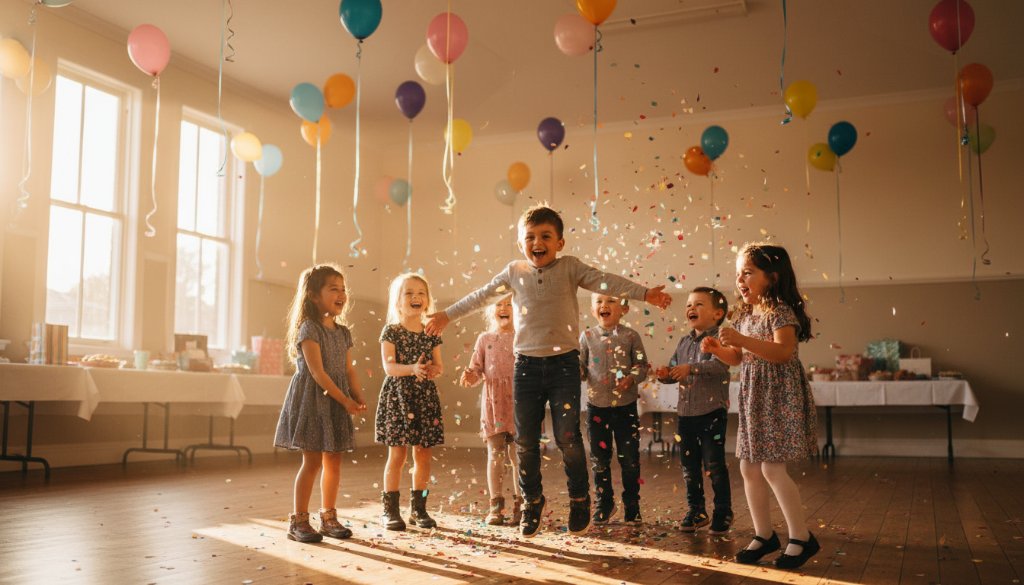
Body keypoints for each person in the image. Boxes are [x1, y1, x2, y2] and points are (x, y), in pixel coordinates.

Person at [425, 204, 672, 538]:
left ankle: (580, 498)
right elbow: (481, 295)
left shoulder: (570, 268)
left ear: (560, 243)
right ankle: (531, 501)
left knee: (567, 437)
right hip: (525, 366)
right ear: (520, 243)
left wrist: (645, 294)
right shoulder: (514, 271)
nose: (537, 243)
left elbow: (605, 280)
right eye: (530, 237)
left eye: (545, 237)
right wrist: (447, 315)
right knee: (525, 440)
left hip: (563, 366)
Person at [701, 243, 819, 569]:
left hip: (778, 398)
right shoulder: (748, 314)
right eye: (738, 273)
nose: (740, 279)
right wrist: (718, 350)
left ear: (773, 276)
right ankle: (764, 534)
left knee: (771, 468)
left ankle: (802, 537)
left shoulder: (780, 312)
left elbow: (782, 352)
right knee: (749, 468)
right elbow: (739, 358)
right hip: (755, 399)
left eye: (748, 272)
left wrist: (740, 340)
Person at [274, 264, 367, 543]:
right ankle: (299, 520)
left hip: (336, 401)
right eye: (333, 288)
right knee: (312, 462)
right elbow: (317, 373)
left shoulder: (343, 332)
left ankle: (329, 517)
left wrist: (357, 395)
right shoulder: (309, 328)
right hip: (313, 400)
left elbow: (348, 370)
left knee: (334, 462)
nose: (341, 294)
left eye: (343, 289)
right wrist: (344, 399)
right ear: (314, 296)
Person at [655, 287, 733, 535]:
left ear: (717, 313)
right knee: (689, 466)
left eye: (699, 304)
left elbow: (720, 368)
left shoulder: (721, 340)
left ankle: (723, 510)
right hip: (686, 415)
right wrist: (666, 375)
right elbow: (676, 369)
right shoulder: (684, 341)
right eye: (689, 304)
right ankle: (696, 510)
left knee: (714, 464)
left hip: (711, 413)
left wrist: (693, 368)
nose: (691, 308)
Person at [376, 272, 444, 531]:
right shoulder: (391, 331)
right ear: (398, 301)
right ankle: (390, 510)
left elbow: (439, 365)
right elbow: (389, 368)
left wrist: (433, 370)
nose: (416, 297)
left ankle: (419, 509)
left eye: (421, 293)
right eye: (409, 293)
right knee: (397, 455)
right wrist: (412, 369)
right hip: (399, 398)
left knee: (423, 456)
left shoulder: (431, 332)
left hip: (424, 398)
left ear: (427, 300)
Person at [579, 294, 650, 525]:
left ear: (624, 309)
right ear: (592, 309)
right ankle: (604, 503)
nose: (604, 305)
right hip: (596, 407)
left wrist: (632, 377)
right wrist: (576, 372)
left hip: (625, 407)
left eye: (610, 301)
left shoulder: (631, 336)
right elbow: (580, 366)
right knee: (599, 459)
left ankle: (632, 505)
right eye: (599, 301)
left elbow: (641, 365)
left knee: (629, 459)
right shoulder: (587, 336)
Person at [459, 296, 522, 526]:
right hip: (493, 405)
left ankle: (521, 504)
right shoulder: (484, 339)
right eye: (498, 305)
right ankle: (496, 505)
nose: (503, 308)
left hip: (519, 404)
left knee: (518, 457)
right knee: (495, 455)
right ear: (490, 311)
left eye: (509, 304)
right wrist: (470, 376)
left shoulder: (523, 336)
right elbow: (476, 370)